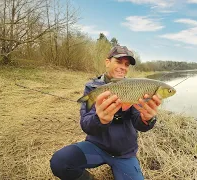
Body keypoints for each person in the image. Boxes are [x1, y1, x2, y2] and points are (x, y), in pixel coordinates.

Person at [50, 45, 162, 180]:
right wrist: (100, 120)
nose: (123, 67)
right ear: (107, 62)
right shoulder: (92, 88)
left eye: (126, 65)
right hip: (96, 147)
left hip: (124, 153)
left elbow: (139, 124)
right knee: (60, 162)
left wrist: (147, 119)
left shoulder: (134, 87)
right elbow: (85, 124)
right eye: (119, 62)